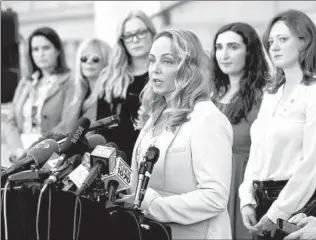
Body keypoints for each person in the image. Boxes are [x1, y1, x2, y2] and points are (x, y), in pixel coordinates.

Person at [117, 29, 233, 239]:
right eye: (152, 60)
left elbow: (215, 197)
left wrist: (153, 205)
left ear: (188, 68)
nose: (155, 69)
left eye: (167, 61)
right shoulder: (154, 114)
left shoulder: (207, 118)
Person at [239, 9, 316, 240]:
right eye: (270, 41)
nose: (273, 47)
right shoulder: (271, 93)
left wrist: (278, 211)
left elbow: (311, 165)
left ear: (305, 41)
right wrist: (246, 198)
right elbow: (256, 152)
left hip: (297, 205)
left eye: (282, 39)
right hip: (260, 199)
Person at [211, 22, 270, 239]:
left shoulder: (266, 97)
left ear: (250, 51)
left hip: (246, 190)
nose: (223, 54)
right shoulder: (210, 96)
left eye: (233, 47)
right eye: (219, 47)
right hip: (212, 189)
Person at [84, 9, 157, 165]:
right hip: (118, 163)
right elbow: (100, 127)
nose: (135, 40)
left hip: (154, 160)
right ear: (121, 40)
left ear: (152, 33)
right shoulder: (110, 77)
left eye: (141, 32)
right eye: (128, 35)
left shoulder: (163, 74)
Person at [4, 26, 74, 162]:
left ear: (58, 50)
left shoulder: (70, 81)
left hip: (51, 154)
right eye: (35, 49)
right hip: (20, 156)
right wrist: (18, 151)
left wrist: (35, 149)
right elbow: (10, 122)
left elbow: (67, 123)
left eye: (46, 48)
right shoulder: (26, 82)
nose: (40, 53)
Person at [64, 38, 112, 131]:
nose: (89, 62)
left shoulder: (111, 94)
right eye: (84, 58)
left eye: (95, 59)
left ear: (107, 62)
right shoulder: (77, 94)